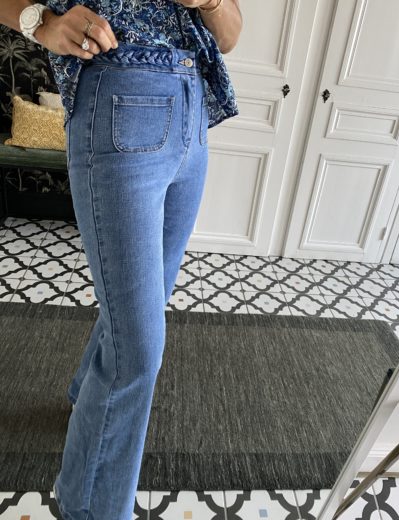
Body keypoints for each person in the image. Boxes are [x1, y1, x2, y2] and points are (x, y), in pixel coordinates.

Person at [0, 1, 242, 519]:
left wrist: (211, 3)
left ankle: (85, 396)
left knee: (146, 299)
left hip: (193, 109)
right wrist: (42, 23)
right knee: (139, 348)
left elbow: (229, 36)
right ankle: (88, 508)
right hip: (120, 94)